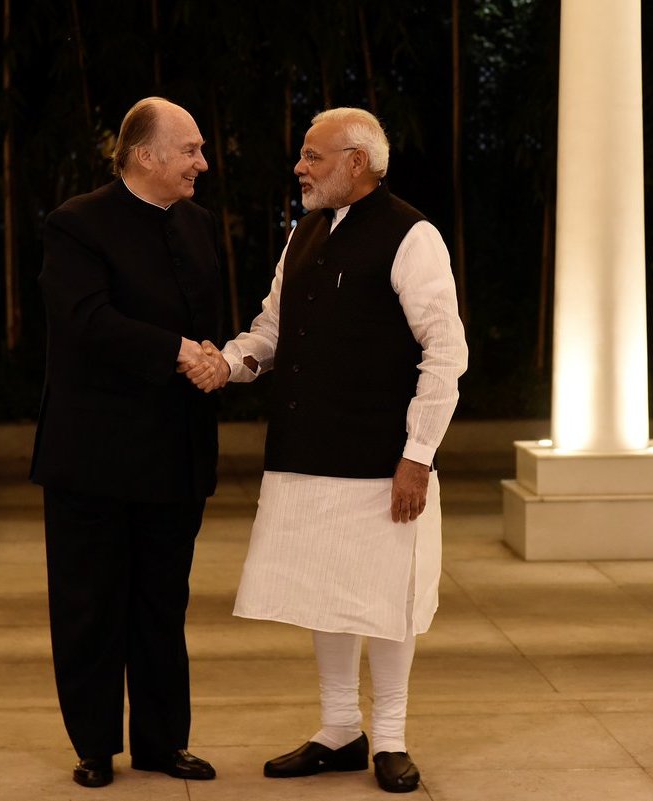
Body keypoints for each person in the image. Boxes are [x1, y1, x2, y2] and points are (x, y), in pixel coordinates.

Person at [185, 106, 468, 793]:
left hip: (381, 456)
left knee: (386, 596)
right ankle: (340, 727)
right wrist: (230, 362)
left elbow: (446, 351)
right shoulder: (303, 234)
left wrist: (418, 454)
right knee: (327, 592)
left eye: (313, 156)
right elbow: (272, 329)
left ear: (356, 163)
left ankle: (392, 738)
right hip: (306, 448)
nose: (300, 167)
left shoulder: (413, 235)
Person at [30, 97, 221, 788]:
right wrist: (179, 351)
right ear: (147, 155)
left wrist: (214, 356)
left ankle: (163, 743)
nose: (203, 162)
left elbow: (209, 323)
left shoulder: (197, 224)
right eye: (192, 149)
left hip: (174, 452)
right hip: (94, 457)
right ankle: (94, 747)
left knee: (162, 605)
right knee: (89, 606)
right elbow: (87, 321)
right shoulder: (75, 224)